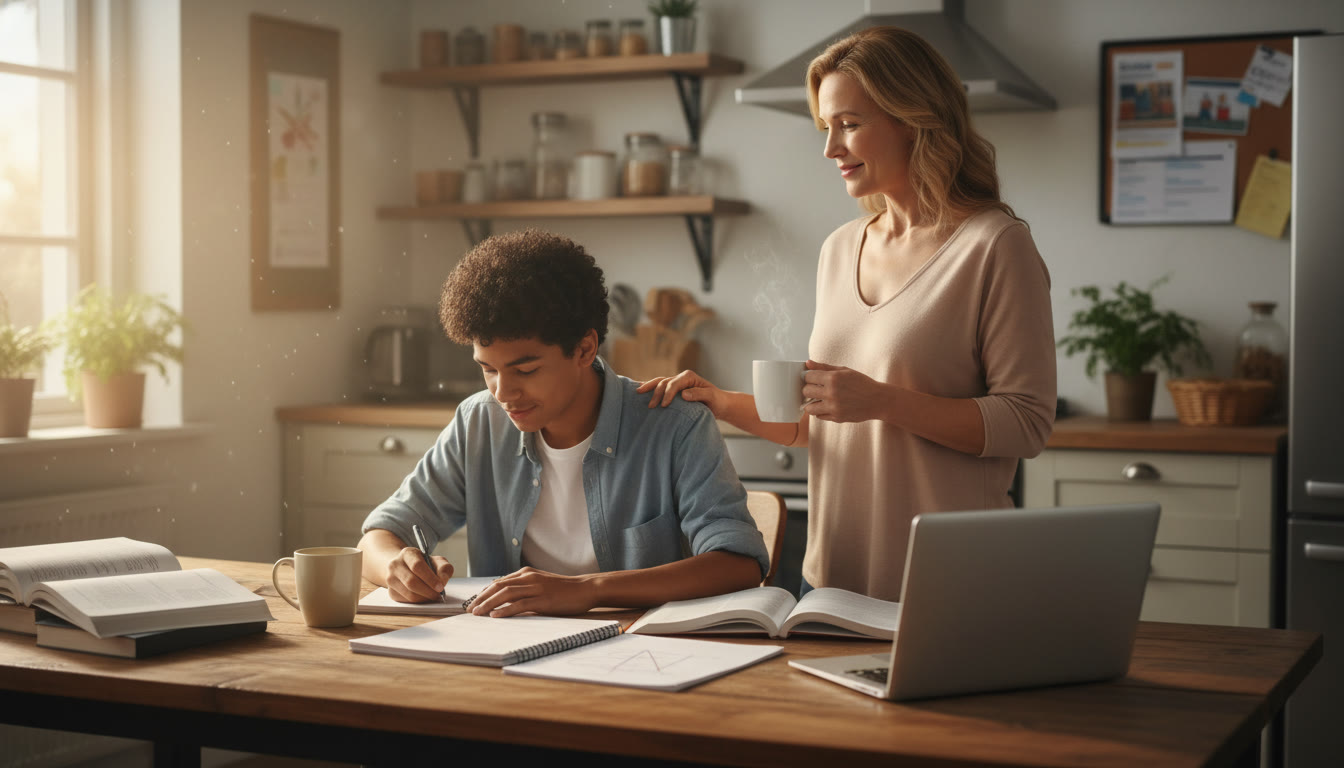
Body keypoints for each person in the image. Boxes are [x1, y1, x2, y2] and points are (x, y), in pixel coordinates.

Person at [639, 27, 1056, 602]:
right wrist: (719, 401)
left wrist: (884, 400)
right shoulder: (841, 247)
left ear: (915, 118)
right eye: (826, 127)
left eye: (850, 124)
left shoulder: (994, 245)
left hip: (949, 580)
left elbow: (1027, 423)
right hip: (830, 581)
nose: (831, 148)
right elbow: (821, 421)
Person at [358, 229, 769, 617]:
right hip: (502, 657)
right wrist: (398, 566)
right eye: (488, 370)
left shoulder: (676, 425)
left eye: (526, 370)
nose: (503, 393)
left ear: (585, 348)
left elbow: (739, 565)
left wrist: (589, 590)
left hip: (644, 660)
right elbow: (377, 535)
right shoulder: (479, 423)